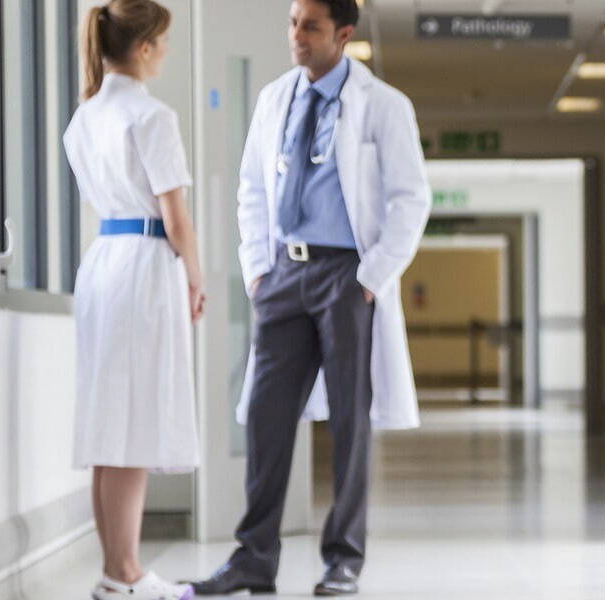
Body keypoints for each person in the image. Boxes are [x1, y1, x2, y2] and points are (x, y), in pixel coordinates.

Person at [188, 0, 431, 595]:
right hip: (283, 278)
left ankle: (343, 559)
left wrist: (372, 277)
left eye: (311, 26)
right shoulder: (275, 98)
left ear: (343, 34)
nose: (296, 36)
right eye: (293, 23)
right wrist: (255, 271)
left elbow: (411, 199)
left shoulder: (384, 105)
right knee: (268, 417)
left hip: (348, 276)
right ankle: (253, 557)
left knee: (351, 419)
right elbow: (250, 186)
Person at [63, 1, 201, 598]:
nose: (165, 54)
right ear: (144, 48)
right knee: (134, 424)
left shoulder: (83, 118)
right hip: (145, 267)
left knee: (109, 424)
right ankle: (125, 572)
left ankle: (117, 570)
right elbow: (177, 219)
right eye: (163, 43)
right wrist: (196, 276)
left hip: (103, 265)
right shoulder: (152, 117)